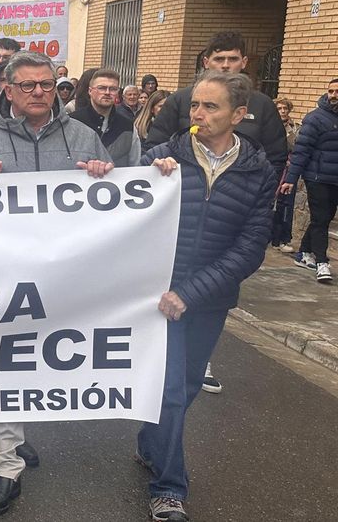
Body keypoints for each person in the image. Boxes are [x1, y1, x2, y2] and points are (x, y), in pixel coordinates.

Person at [0, 51, 113, 516]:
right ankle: (6, 466)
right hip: (2, 275)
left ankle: (18, 433)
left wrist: (103, 175)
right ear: (7, 88)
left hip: (65, 275)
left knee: (48, 358)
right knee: (5, 362)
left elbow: (117, 200)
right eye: (28, 85)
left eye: (47, 84)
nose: (39, 92)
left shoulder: (83, 136)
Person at [139, 71, 275, 522]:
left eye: (211, 106)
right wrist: (147, 177)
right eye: (195, 104)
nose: (198, 113)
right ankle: (169, 489)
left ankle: (151, 443)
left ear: (239, 115)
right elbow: (120, 211)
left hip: (208, 300)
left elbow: (250, 248)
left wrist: (190, 293)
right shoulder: (162, 157)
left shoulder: (258, 171)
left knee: (188, 385)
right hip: (160, 298)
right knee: (171, 392)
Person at [148, 32, 286, 173]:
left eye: (233, 59)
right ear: (206, 62)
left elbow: (275, 158)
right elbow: (155, 147)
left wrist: (257, 183)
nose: (225, 65)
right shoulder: (179, 99)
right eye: (219, 59)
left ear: (244, 62)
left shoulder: (263, 104)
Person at [281, 79, 338, 283]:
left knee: (323, 218)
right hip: (317, 177)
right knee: (321, 218)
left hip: (335, 179)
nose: (334, 95)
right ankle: (322, 262)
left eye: (337, 91)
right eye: (331, 91)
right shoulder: (315, 118)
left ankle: (304, 252)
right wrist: (291, 178)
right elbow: (301, 151)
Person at [69, 68, 142, 167]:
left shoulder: (128, 127)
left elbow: (135, 166)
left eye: (113, 89)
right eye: (101, 88)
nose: (107, 92)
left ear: (117, 93)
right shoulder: (72, 122)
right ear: (90, 91)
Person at [270, 98, 299, 253]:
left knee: (285, 204)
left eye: (285, 108)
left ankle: (281, 239)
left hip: (288, 170)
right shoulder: (270, 126)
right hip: (272, 168)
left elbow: (296, 146)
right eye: (279, 108)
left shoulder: (294, 127)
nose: (282, 111)